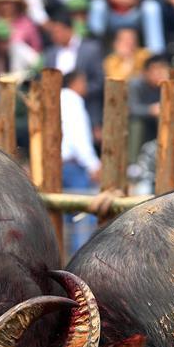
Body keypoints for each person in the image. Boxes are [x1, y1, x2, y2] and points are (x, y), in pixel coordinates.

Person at [59, 71, 100, 253]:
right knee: (83, 217)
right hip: (74, 165)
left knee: (65, 217)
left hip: (58, 166)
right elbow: (78, 137)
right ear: (75, 82)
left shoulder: (56, 98)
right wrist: (93, 164)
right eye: (83, 81)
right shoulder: (73, 100)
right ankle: (80, 265)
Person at [44, 9, 104, 129]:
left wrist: (81, 90)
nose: (55, 36)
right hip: (58, 108)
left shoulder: (91, 50)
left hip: (86, 105)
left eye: (58, 31)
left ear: (69, 29)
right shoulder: (51, 53)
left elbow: (99, 81)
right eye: (53, 33)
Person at [127, 54, 168, 161]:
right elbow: (132, 108)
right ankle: (134, 162)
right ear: (146, 72)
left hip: (159, 122)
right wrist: (150, 110)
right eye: (156, 70)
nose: (160, 73)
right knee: (137, 123)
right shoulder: (135, 85)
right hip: (141, 124)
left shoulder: (168, 85)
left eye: (162, 69)